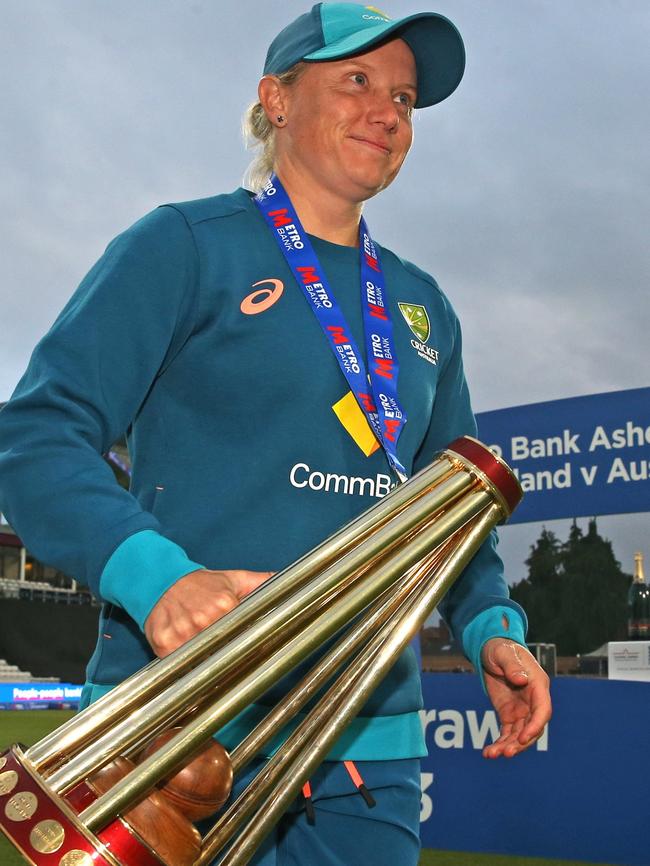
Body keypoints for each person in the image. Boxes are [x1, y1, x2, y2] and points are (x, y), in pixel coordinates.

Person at [0, 3, 552, 864]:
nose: (387, 113)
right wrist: (158, 579)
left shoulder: (423, 308)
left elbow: (451, 510)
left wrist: (492, 633)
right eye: (358, 82)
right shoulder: (185, 245)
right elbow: (36, 435)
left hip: (369, 743)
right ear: (278, 99)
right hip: (176, 734)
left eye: (405, 100)